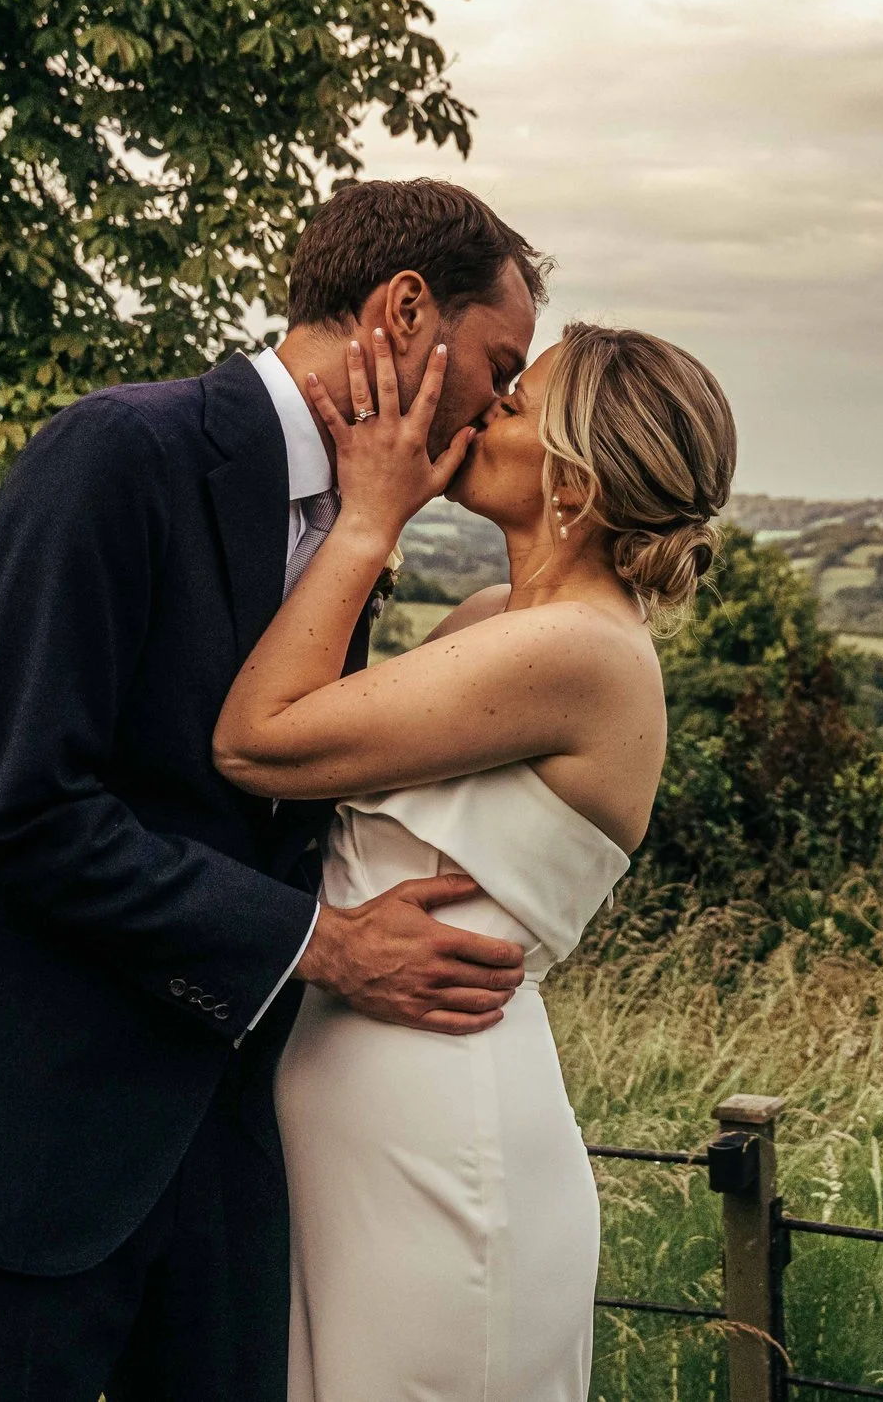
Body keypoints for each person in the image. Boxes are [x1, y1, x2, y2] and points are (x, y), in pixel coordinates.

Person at [0, 180, 547, 1402]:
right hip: (7, 1136)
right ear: (406, 310)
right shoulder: (120, 452)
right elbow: (25, 811)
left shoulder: (358, 524)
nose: (503, 406)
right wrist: (324, 946)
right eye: (500, 364)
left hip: (218, 1154)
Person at [211, 318, 736, 1400]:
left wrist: (366, 520)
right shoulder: (498, 618)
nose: (478, 408)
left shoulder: (578, 652)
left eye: (512, 401)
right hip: (348, 1108)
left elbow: (256, 739)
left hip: (442, 1122)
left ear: (576, 482)